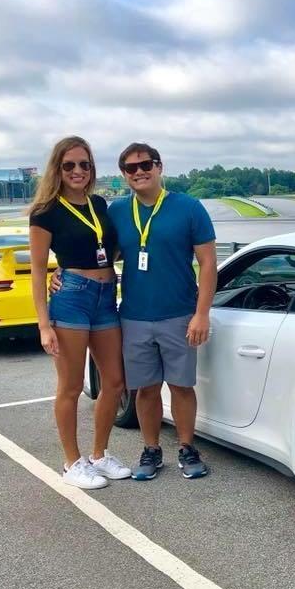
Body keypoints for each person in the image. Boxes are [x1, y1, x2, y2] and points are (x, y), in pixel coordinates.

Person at [105, 142, 217, 480]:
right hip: (135, 316)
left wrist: (202, 313)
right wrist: (63, 274)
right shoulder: (117, 211)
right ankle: (151, 450)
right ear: (124, 174)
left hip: (180, 314)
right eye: (130, 168)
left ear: (159, 166)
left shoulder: (189, 208)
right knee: (146, 388)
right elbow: (99, 256)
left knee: (181, 386)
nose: (139, 172)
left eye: (145, 165)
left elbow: (208, 263)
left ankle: (186, 447)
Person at [29, 136, 131, 489]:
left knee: (115, 381)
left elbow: (109, 249)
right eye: (69, 164)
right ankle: (72, 463)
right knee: (71, 386)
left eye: (84, 164)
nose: (77, 171)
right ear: (58, 168)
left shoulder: (99, 203)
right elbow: (39, 268)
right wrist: (44, 324)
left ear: (91, 169)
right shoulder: (46, 211)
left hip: (105, 296)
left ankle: (99, 455)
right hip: (71, 298)